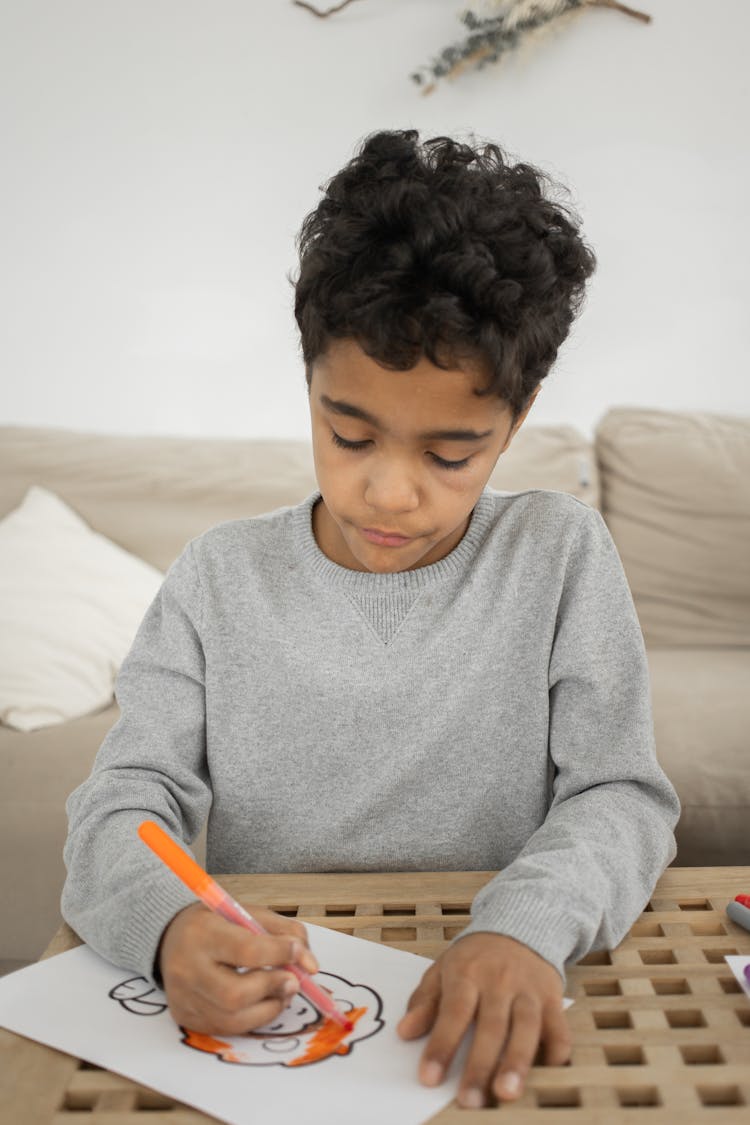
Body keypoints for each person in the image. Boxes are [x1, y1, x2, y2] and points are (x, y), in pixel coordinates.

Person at [62, 129, 680, 1109]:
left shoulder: (560, 556)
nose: (390, 493)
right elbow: (123, 806)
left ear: (514, 426)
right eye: (349, 435)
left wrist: (527, 924)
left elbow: (622, 794)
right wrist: (168, 925)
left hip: (477, 999)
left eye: (451, 454)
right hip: (274, 1023)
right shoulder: (218, 578)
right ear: (309, 388)